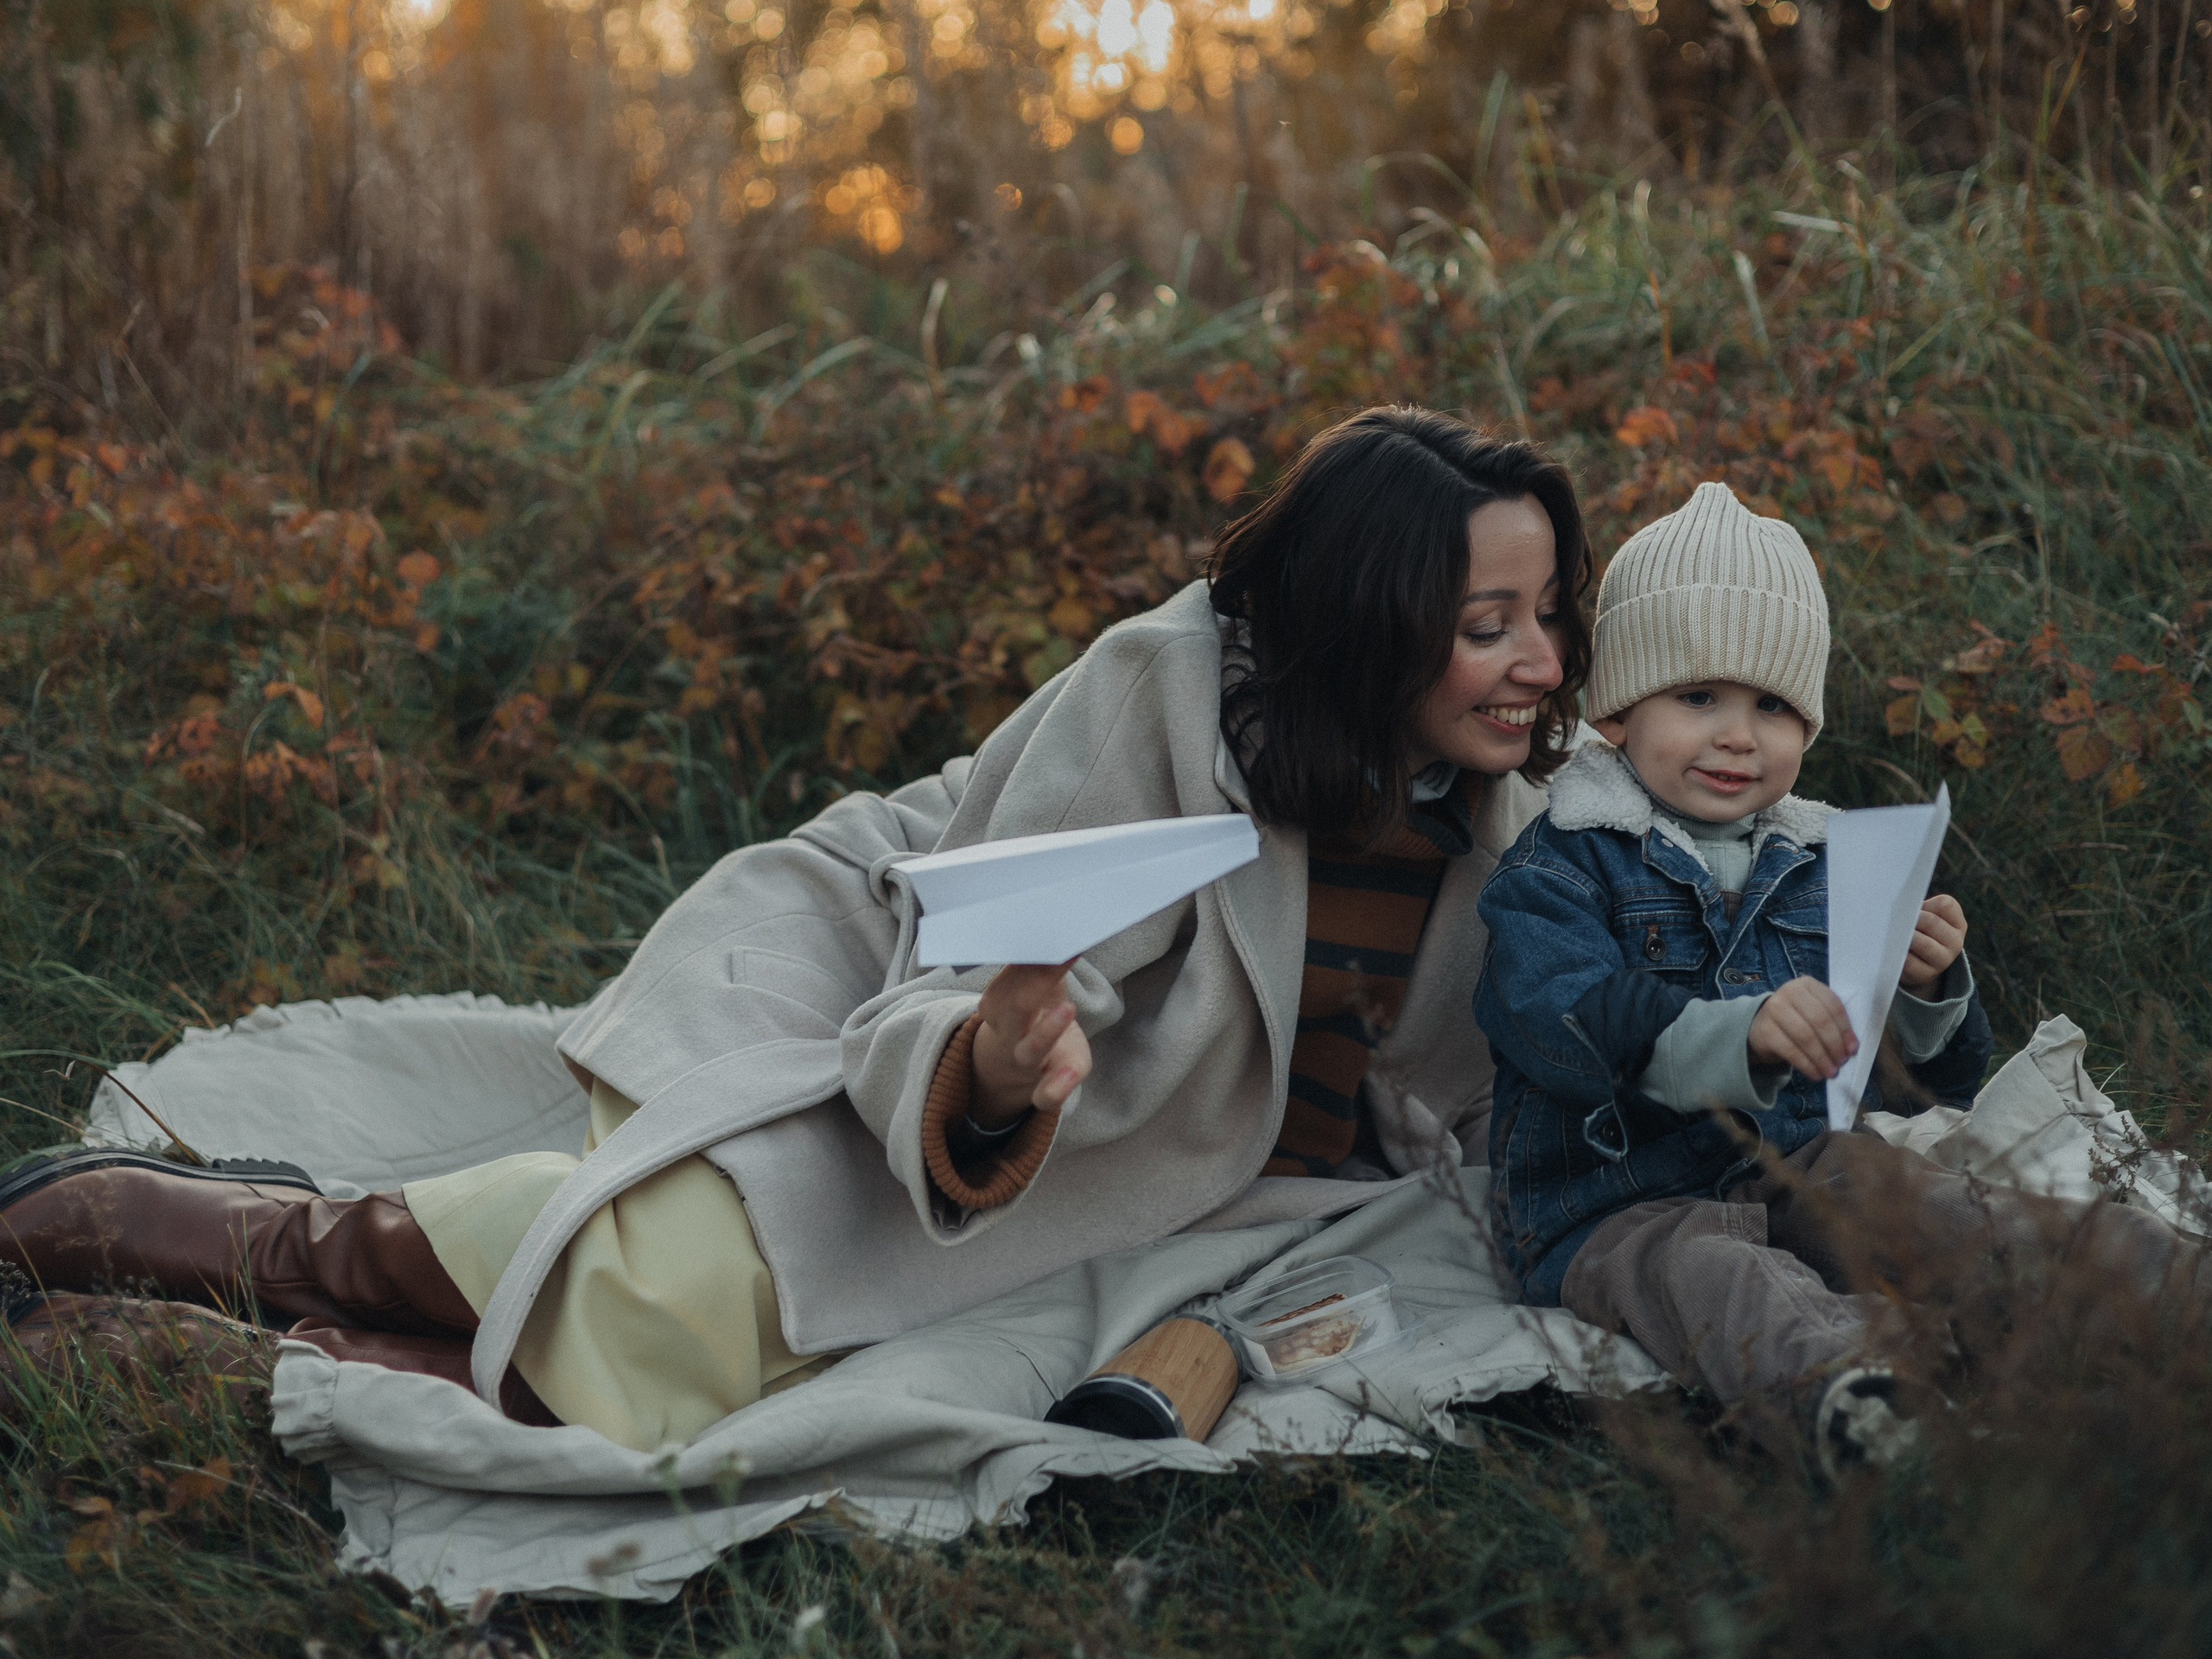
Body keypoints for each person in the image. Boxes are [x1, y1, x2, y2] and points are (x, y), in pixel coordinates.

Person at [3, 407, 1593, 1450]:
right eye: (1485, 625)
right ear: (1370, 625)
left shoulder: (1524, 807)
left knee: (790, 1388)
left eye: (1547, 616)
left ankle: (278, 1364)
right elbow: (975, 953)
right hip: (897, 1000)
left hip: (1160, 1191)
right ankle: (250, 1243)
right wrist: (992, 1063)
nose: (1536, 662)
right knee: (697, 1271)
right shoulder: (1170, 692)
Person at [1475, 481, 2205, 1475]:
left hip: (1798, 1164)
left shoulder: (1821, 860)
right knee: (1717, 1280)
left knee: (1938, 1205)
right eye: (1698, 697)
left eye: (1772, 707)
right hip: (1614, 1199)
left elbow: (1926, 1094)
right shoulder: (1561, 863)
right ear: (1614, 711)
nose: (1739, 735)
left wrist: (1928, 988)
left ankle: (2162, 1292)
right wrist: (1738, 1036)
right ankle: (1868, 1401)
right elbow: (1557, 1018)